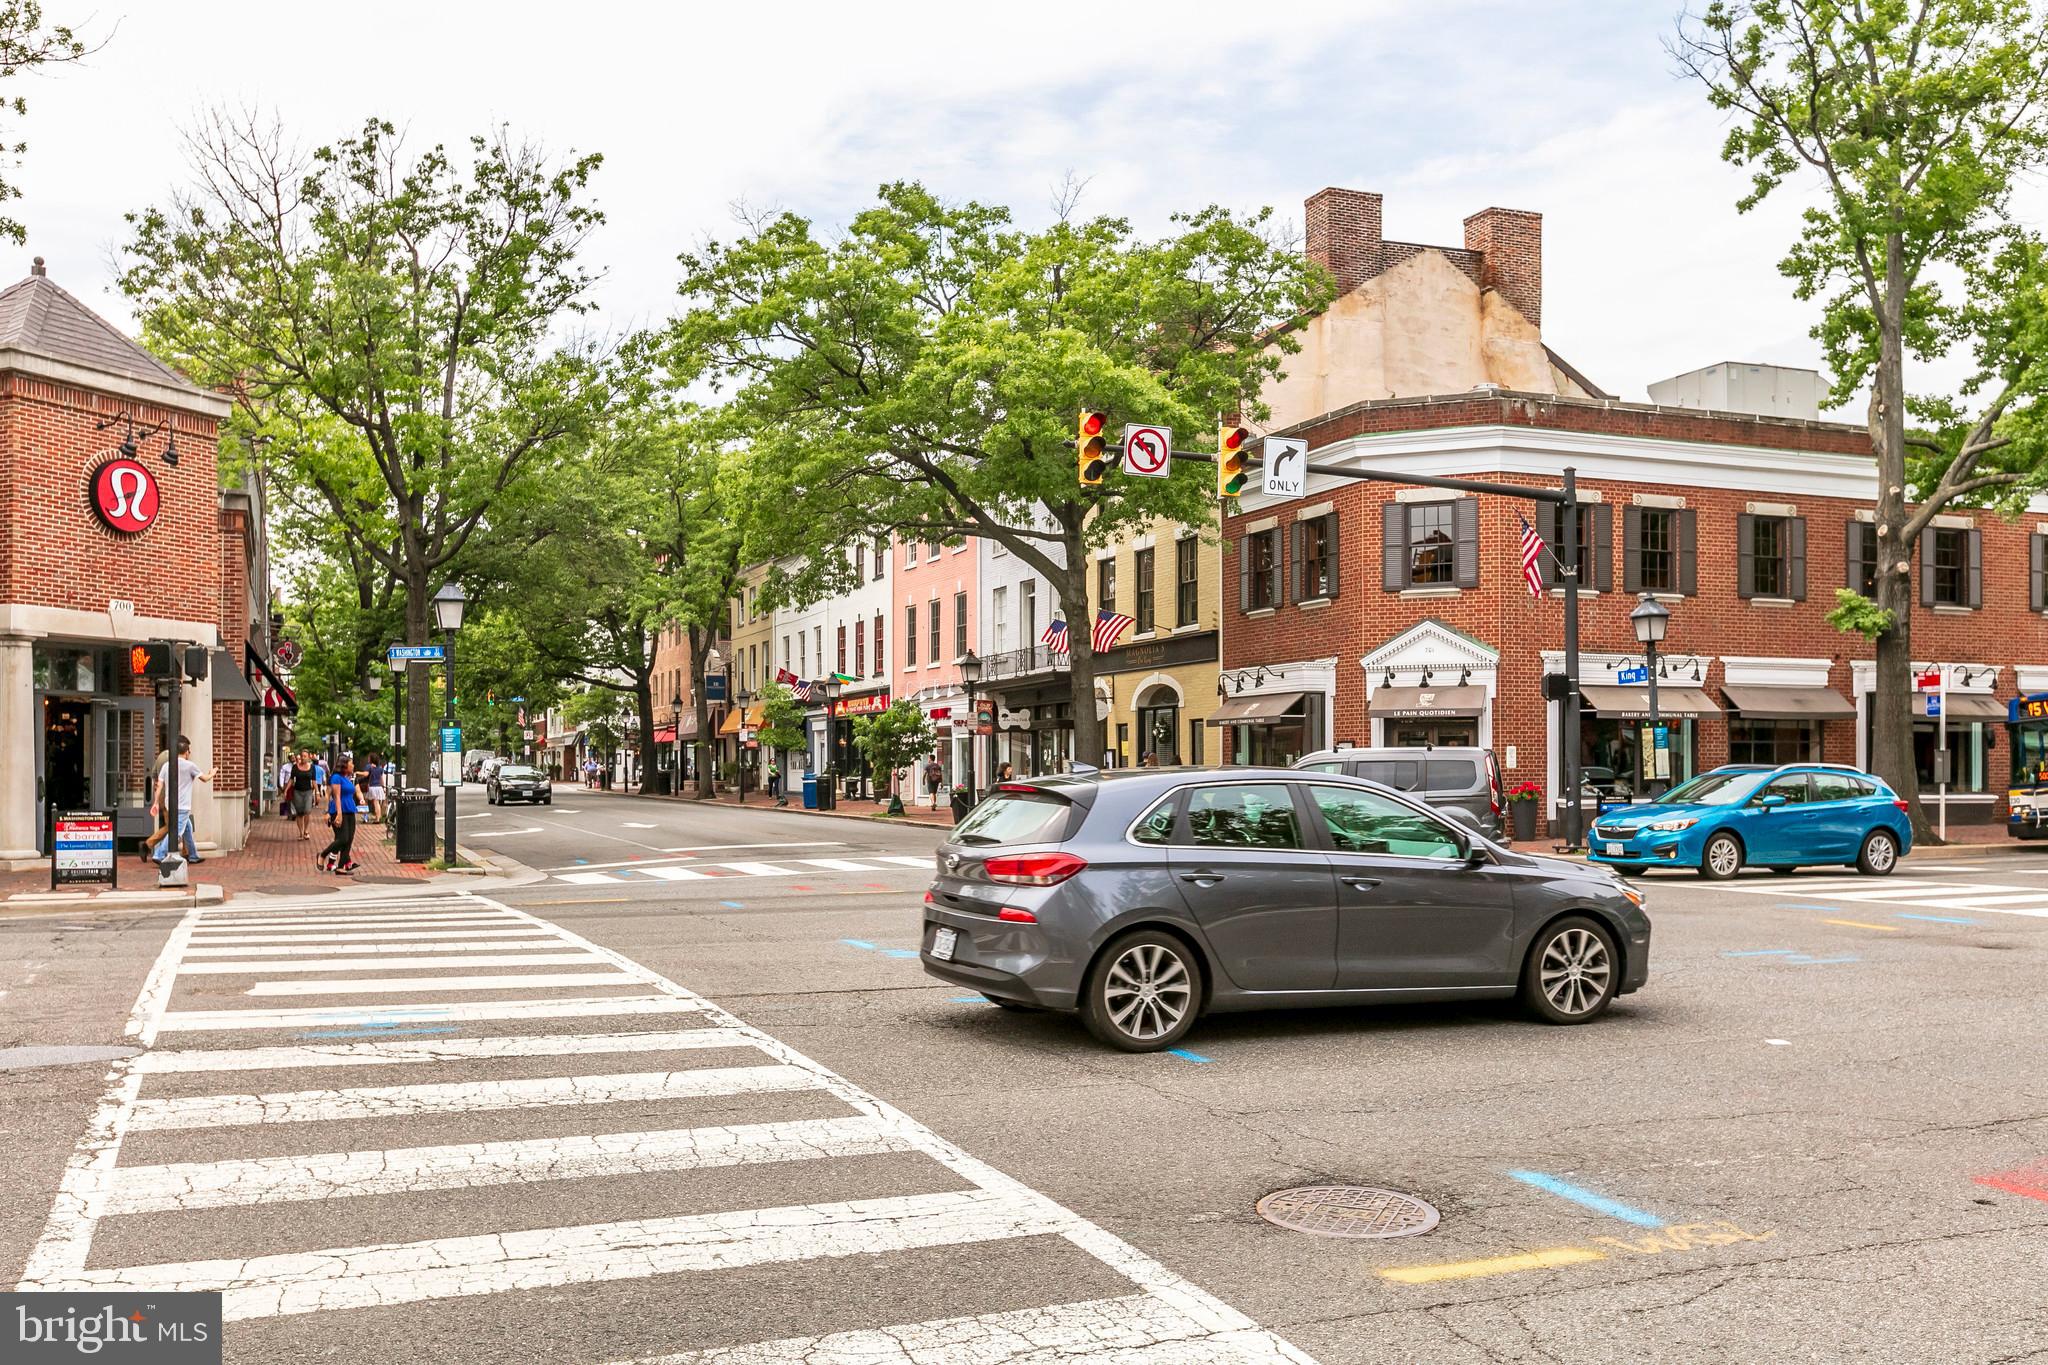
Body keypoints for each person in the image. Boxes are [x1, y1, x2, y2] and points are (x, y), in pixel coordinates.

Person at [148, 737, 214, 865]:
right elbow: (205, 779)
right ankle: (159, 854)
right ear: (187, 751)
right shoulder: (190, 766)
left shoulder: (167, 765)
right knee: (176, 832)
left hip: (169, 804)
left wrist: (155, 802)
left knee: (187, 827)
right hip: (183, 806)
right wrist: (212, 773)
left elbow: (159, 786)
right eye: (189, 750)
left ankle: (193, 855)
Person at [320, 756, 361, 874]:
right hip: (339, 810)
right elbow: (336, 796)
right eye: (351, 764)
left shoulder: (347, 778)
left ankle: (341, 866)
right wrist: (338, 814)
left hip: (350, 810)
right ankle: (323, 855)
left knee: (349, 839)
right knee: (342, 838)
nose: (353, 766)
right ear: (344, 765)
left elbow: (355, 791)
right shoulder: (336, 777)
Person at [287, 750, 320, 840]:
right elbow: (291, 779)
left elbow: (314, 780)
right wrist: (286, 790)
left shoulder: (312, 767)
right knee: (299, 813)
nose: (303, 758)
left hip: (308, 791)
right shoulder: (295, 767)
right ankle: (301, 833)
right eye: (302, 756)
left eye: (305, 756)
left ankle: (306, 830)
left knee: (307, 811)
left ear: (309, 757)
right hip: (297, 791)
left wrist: (317, 792)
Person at [363, 754, 387, 824]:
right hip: (379, 787)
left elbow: (366, 775)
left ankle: (372, 817)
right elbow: (381, 778)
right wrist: (383, 787)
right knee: (377, 802)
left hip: (372, 786)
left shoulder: (369, 767)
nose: (368, 759)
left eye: (369, 758)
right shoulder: (380, 768)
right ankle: (377, 817)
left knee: (369, 801)